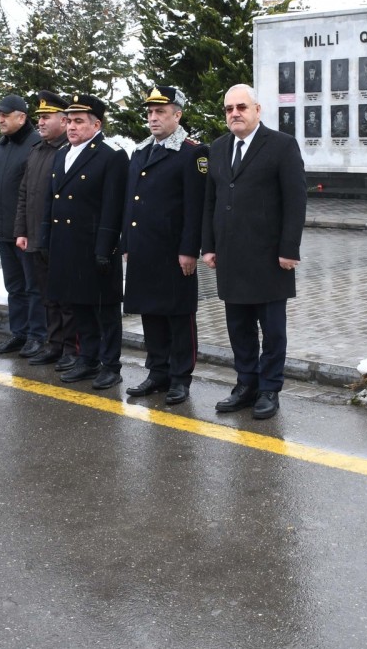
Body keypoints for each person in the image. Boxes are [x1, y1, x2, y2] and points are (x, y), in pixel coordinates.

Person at [201, 83, 306, 420]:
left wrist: (289, 248)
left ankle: (269, 388)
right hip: (231, 256)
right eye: (229, 108)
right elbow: (210, 202)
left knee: (272, 330)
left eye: (241, 107)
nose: (235, 114)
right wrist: (208, 246)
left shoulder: (281, 146)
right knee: (238, 327)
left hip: (269, 256)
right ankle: (246, 384)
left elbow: (295, 200)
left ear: (257, 110)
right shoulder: (217, 148)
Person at [121, 86, 208, 405]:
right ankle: (157, 370)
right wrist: (127, 242)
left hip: (173, 251)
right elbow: (131, 201)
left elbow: (194, 207)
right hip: (144, 248)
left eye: (161, 112)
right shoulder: (141, 151)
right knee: (150, 312)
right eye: (150, 112)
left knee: (178, 315)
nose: (153, 117)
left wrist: (189, 249)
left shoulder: (192, 152)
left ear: (178, 115)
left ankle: (180, 377)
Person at [41, 94, 128, 388]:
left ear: (96, 124)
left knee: (104, 309)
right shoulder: (62, 154)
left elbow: (112, 206)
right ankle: (88, 358)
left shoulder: (110, 155)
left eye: (79, 121)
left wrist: (105, 248)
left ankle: (111, 365)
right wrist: (45, 240)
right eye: (69, 121)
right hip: (67, 245)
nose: (71, 127)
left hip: (94, 246)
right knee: (79, 306)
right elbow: (51, 202)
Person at [14, 91, 78, 367]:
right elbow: (25, 194)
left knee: (65, 298)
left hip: (59, 238)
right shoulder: (37, 151)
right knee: (47, 296)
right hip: (35, 237)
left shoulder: (67, 152)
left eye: (46, 117)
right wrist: (22, 231)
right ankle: (54, 344)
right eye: (39, 117)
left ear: (64, 121)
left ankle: (70, 348)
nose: (39, 122)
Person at [0, 94, 45, 356]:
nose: (0, 119)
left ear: (21, 117)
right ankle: (19, 332)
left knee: (33, 286)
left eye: (5, 115)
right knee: (14, 286)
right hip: (3, 228)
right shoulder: (1, 146)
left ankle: (37, 335)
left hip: (26, 230)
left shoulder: (36, 145)